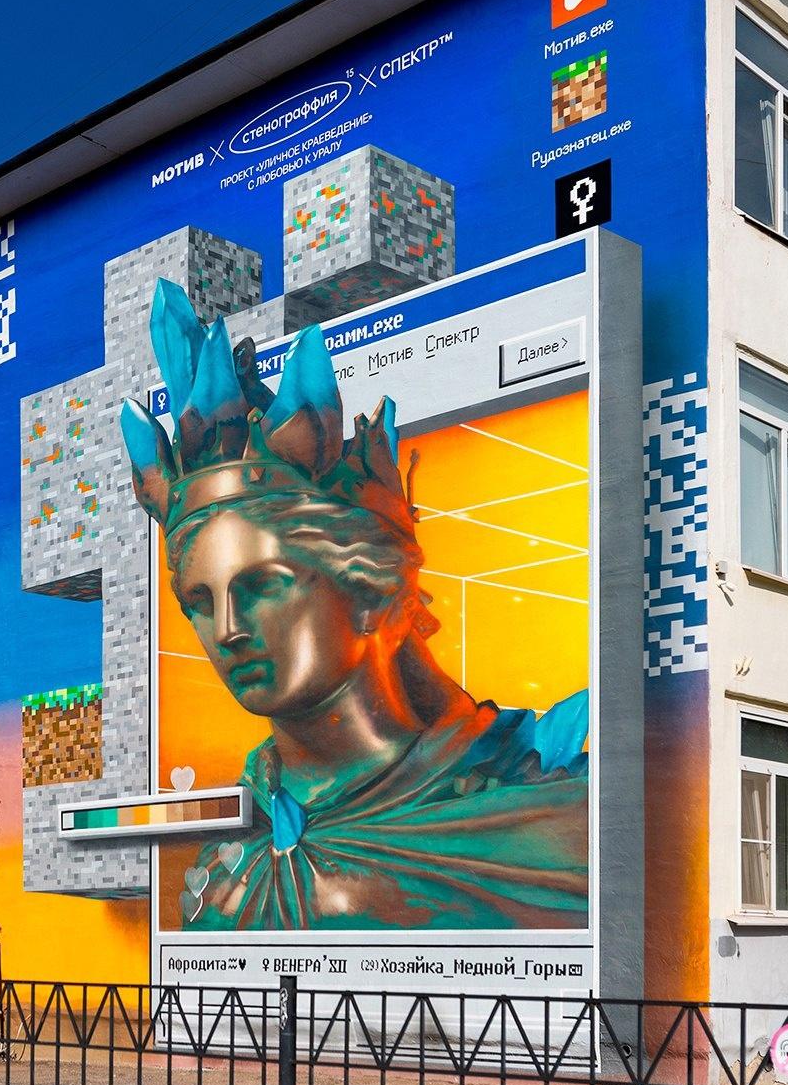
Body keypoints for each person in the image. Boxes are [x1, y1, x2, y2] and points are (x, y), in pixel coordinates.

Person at [120, 281, 588, 932]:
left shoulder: (548, 819)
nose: (226, 630)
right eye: (200, 601)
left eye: (263, 585)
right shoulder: (228, 861)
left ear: (369, 590)